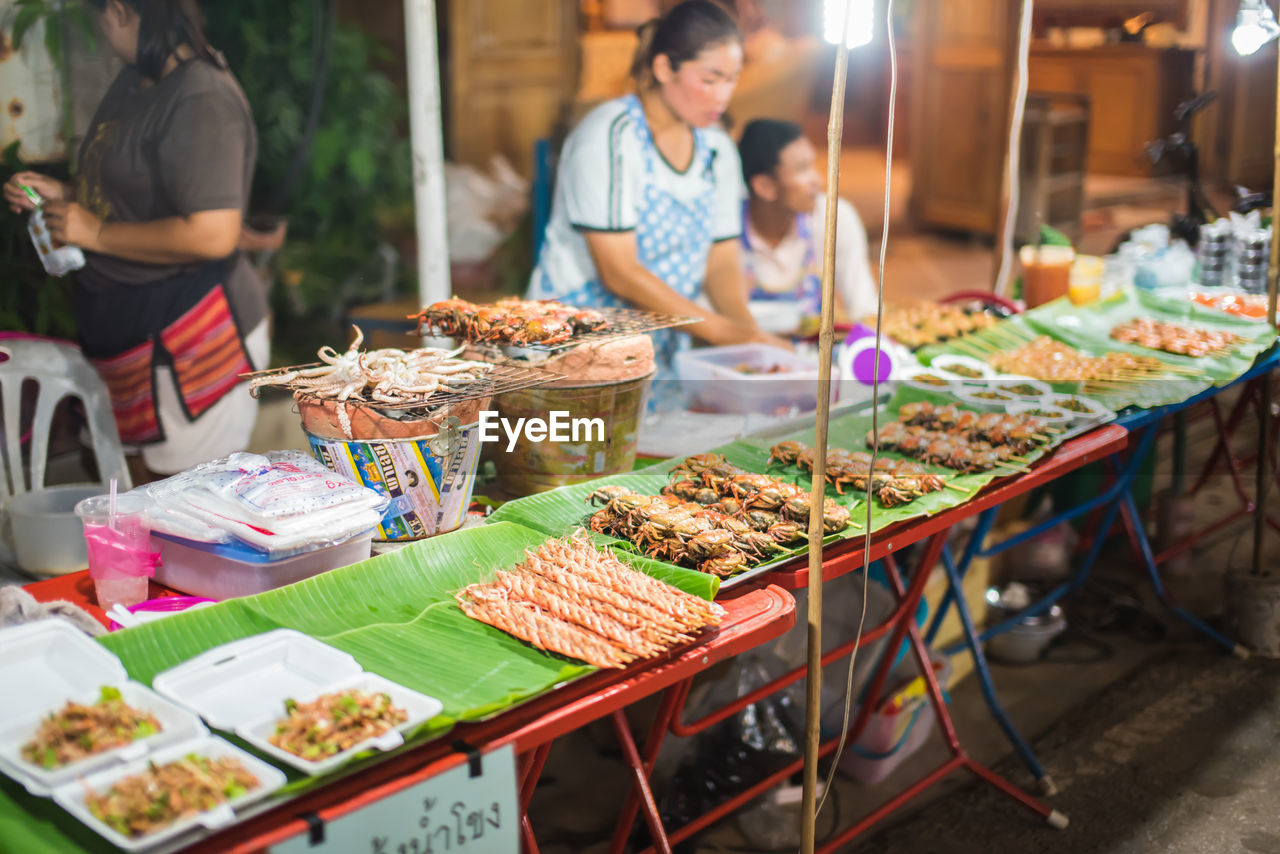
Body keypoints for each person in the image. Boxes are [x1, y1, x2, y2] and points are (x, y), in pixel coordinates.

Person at [4, 0, 268, 485]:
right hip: (128, 340)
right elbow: (134, 189)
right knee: (133, 492)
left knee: (186, 509)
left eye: (98, 18)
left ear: (121, 10)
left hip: (187, 338)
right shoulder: (136, 82)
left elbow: (213, 233)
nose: (100, 33)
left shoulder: (201, 96)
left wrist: (96, 231)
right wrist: (66, 197)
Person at [528, 0, 788, 398]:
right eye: (711, 78)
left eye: (732, 79)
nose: (723, 96)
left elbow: (721, 260)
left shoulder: (716, 148)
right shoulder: (610, 137)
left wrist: (746, 336)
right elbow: (620, 272)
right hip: (576, 349)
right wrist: (723, 331)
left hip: (660, 347)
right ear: (664, 67)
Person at [737, 118, 877, 333]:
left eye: (812, 165)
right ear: (764, 186)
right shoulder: (728, 232)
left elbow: (864, 309)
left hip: (815, 359)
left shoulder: (834, 218)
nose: (817, 179)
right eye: (802, 169)